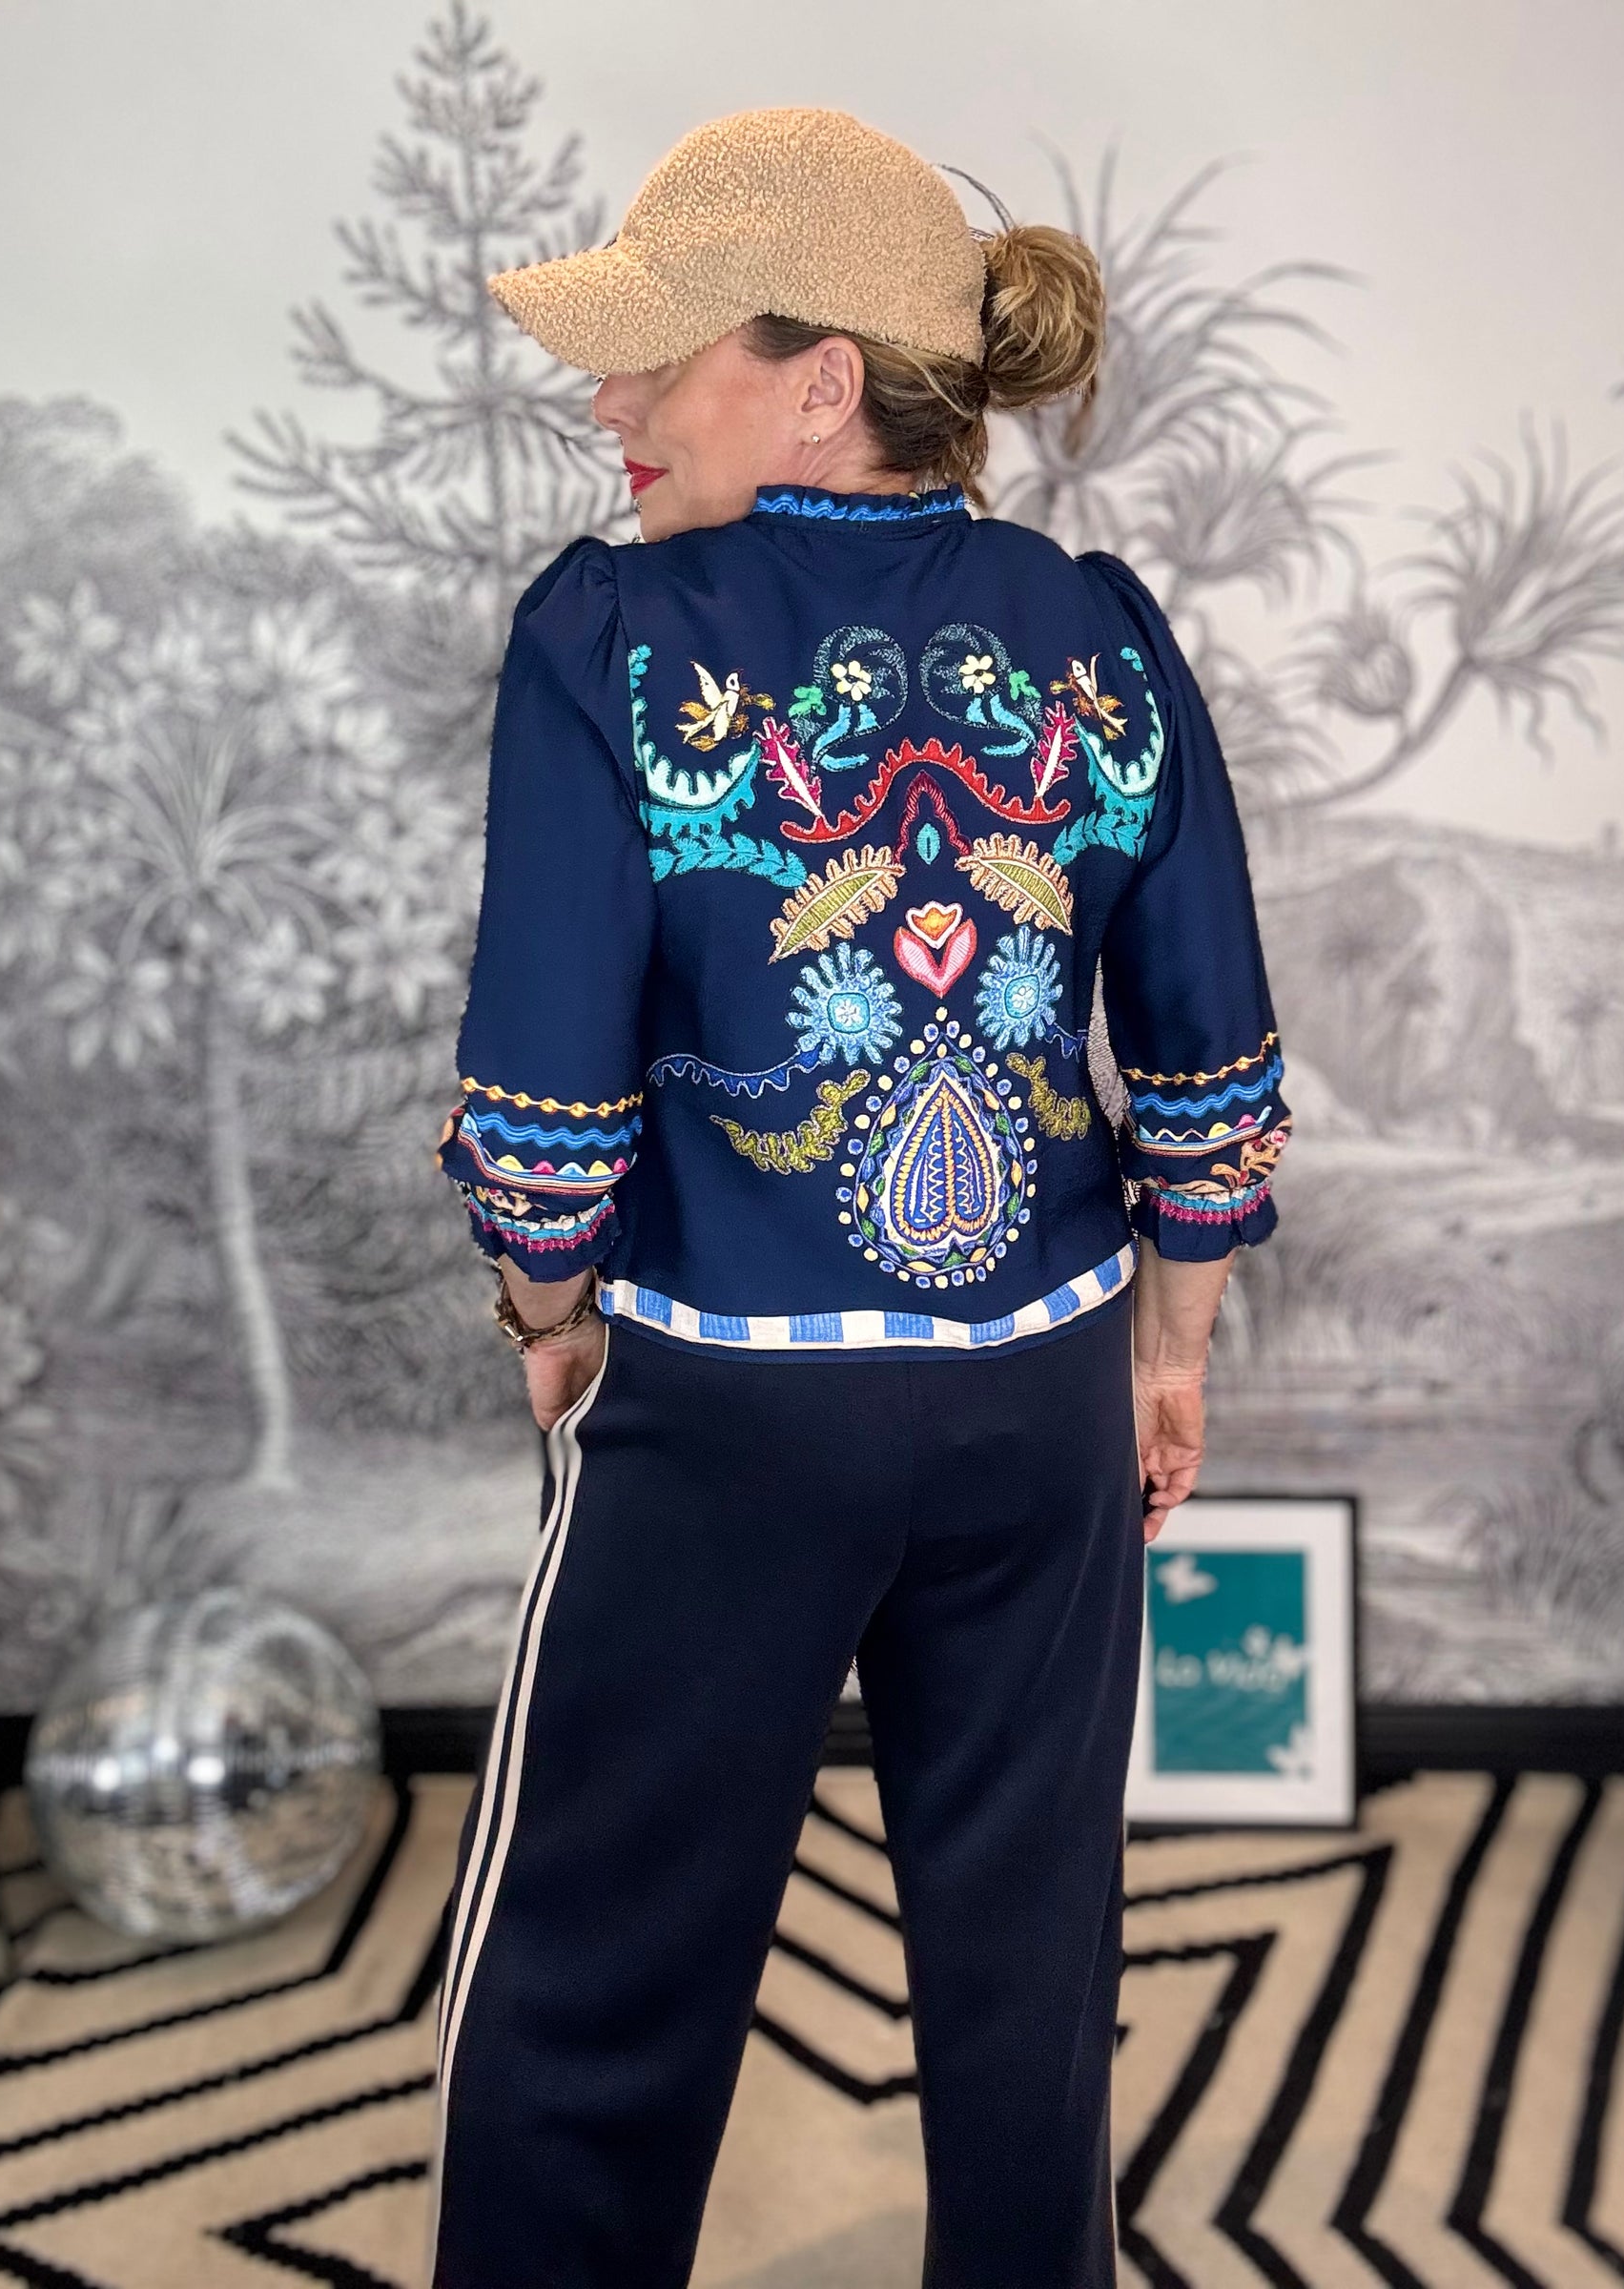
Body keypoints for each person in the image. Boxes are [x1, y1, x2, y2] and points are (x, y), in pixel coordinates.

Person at [425, 104, 1291, 2289]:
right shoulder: (1099, 629)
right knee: (1031, 1971)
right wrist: (1170, 1351)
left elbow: (545, 1100)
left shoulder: (613, 632)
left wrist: (549, 1314)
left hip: (725, 1399)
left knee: (590, 1978)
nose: (606, 400)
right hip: (1042, 1392)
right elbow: (1207, 1055)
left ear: (822, 377)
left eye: (658, 351)